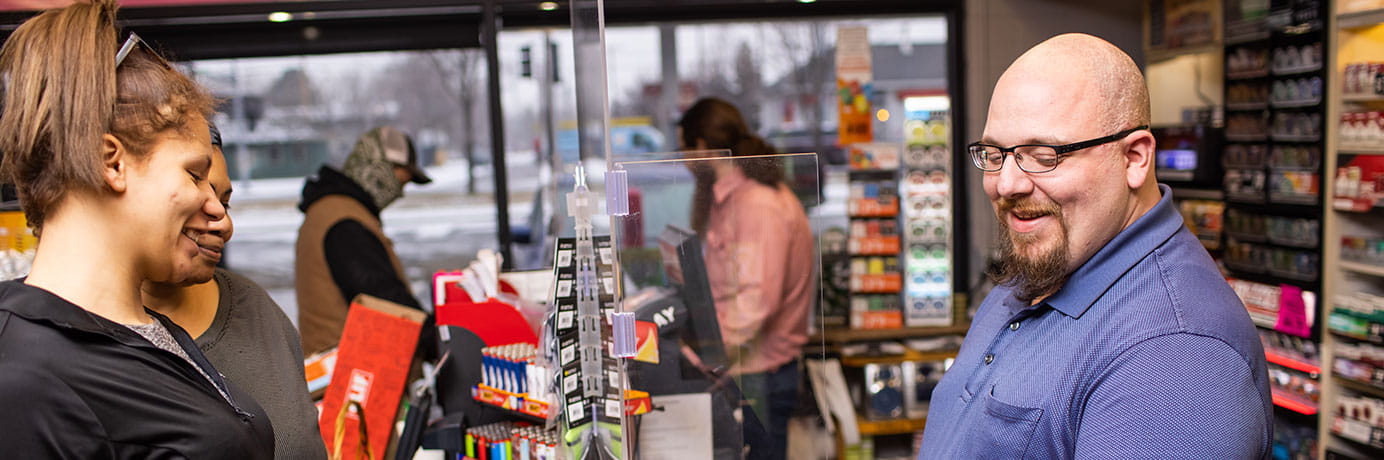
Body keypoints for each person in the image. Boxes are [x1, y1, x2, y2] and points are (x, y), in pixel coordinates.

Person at [918, 34, 1271, 459]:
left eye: (1044, 154)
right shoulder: (1049, 262)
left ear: (1134, 158)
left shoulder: (1175, 358)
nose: (1006, 184)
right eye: (995, 154)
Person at [0, 1, 273, 457]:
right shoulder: (24, 377)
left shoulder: (145, 329)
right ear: (112, 163)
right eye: (193, 174)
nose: (219, 213)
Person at [141, 125, 328, 460]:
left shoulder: (252, 307)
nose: (223, 223)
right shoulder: (71, 340)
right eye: (198, 190)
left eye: (225, 202)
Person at [678, 97, 815, 460]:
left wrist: (700, 353)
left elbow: (755, 303)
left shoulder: (756, 204)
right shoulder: (730, 200)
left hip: (759, 379)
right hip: (745, 373)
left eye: (684, 149)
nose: (682, 161)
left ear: (703, 148)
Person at [296, 125, 432, 356]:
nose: (399, 193)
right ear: (377, 166)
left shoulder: (335, 210)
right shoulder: (344, 222)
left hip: (344, 375)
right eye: (401, 179)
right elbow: (385, 302)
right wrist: (437, 337)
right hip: (353, 381)